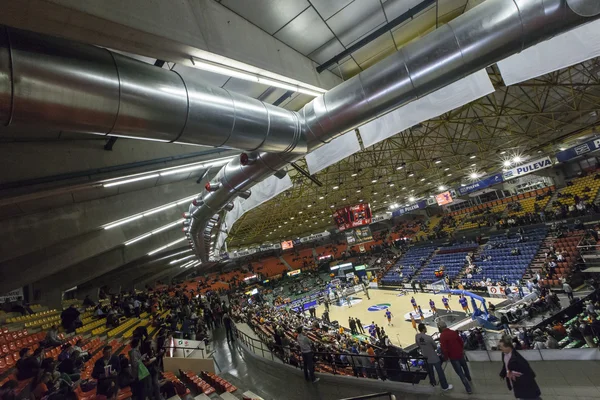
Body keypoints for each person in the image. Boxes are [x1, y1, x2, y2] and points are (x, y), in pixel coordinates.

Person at [498, 335, 542, 399]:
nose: (500, 348)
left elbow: (529, 372)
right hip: (516, 384)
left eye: (501, 347)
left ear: (508, 347)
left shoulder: (517, 359)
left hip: (524, 385)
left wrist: (515, 375)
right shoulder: (504, 354)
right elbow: (505, 365)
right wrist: (503, 374)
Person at [415, 323, 452, 391]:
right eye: (425, 328)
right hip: (433, 356)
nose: (426, 329)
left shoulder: (417, 336)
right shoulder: (429, 337)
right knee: (440, 372)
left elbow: (418, 345)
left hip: (425, 356)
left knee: (430, 372)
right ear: (423, 329)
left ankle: (433, 383)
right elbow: (435, 346)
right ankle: (444, 386)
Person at [438, 321, 472, 394]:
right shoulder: (453, 332)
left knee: (460, 373)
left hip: (453, 357)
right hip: (460, 354)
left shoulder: (442, 336)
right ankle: (469, 378)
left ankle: (468, 388)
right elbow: (461, 341)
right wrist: (461, 349)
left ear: (440, 328)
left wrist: (446, 357)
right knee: (465, 367)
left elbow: (444, 349)